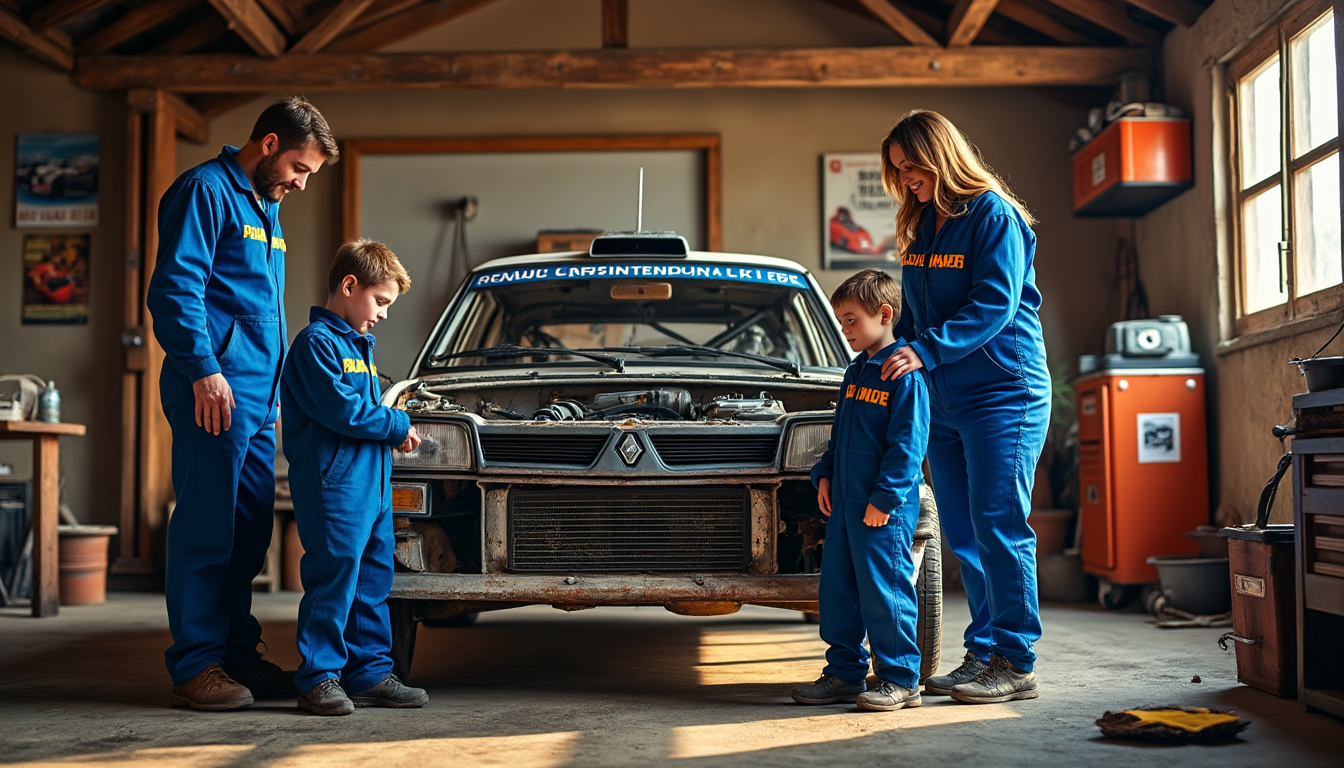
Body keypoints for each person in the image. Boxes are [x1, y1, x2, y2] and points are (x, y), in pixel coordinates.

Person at [147, 97, 338, 711]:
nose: (301, 183)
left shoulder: (264, 204)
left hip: (258, 399)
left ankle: (234, 655)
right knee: (208, 527)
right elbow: (176, 287)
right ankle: (196, 663)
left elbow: (257, 307)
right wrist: (203, 369)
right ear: (269, 143)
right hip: (215, 392)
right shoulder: (204, 189)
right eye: (300, 168)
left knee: (248, 531)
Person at [879, 109, 1050, 704]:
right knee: (966, 532)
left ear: (942, 157)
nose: (906, 180)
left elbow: (994, 304)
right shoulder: (923, 223)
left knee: (1000, 523)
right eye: (898, 171)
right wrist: (888, 350)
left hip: (1005, 391)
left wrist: (924, 351)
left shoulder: (991, 215)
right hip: (943, 397)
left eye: (913, 167)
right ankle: (984, 651)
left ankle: (1016, 658)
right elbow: (915, 311)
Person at [281, 239, 426, 716]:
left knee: (372, 579)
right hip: (335, 488)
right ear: (349, 285)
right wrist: (397, 425)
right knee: (334, 577)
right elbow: (343, 411)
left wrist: (390, 434)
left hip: (372, 488)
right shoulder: (315, 345)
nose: (384, 314)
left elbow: (364, 414)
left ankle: (368, 671)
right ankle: (319, 676)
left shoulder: (357, 347)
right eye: (380, 301)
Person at [791, 269, 930, 712]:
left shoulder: (904, 376)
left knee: (884, 594)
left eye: (851, 320)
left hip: (882, 511)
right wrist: (824, 474)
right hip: (847, 505)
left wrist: (883, 501)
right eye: (841, 320)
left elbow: (907, 446)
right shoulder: (855, 371)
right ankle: (845, 674)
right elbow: (841, 435)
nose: (844, 329)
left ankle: (900, 679)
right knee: (838, 592)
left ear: (884, 314)